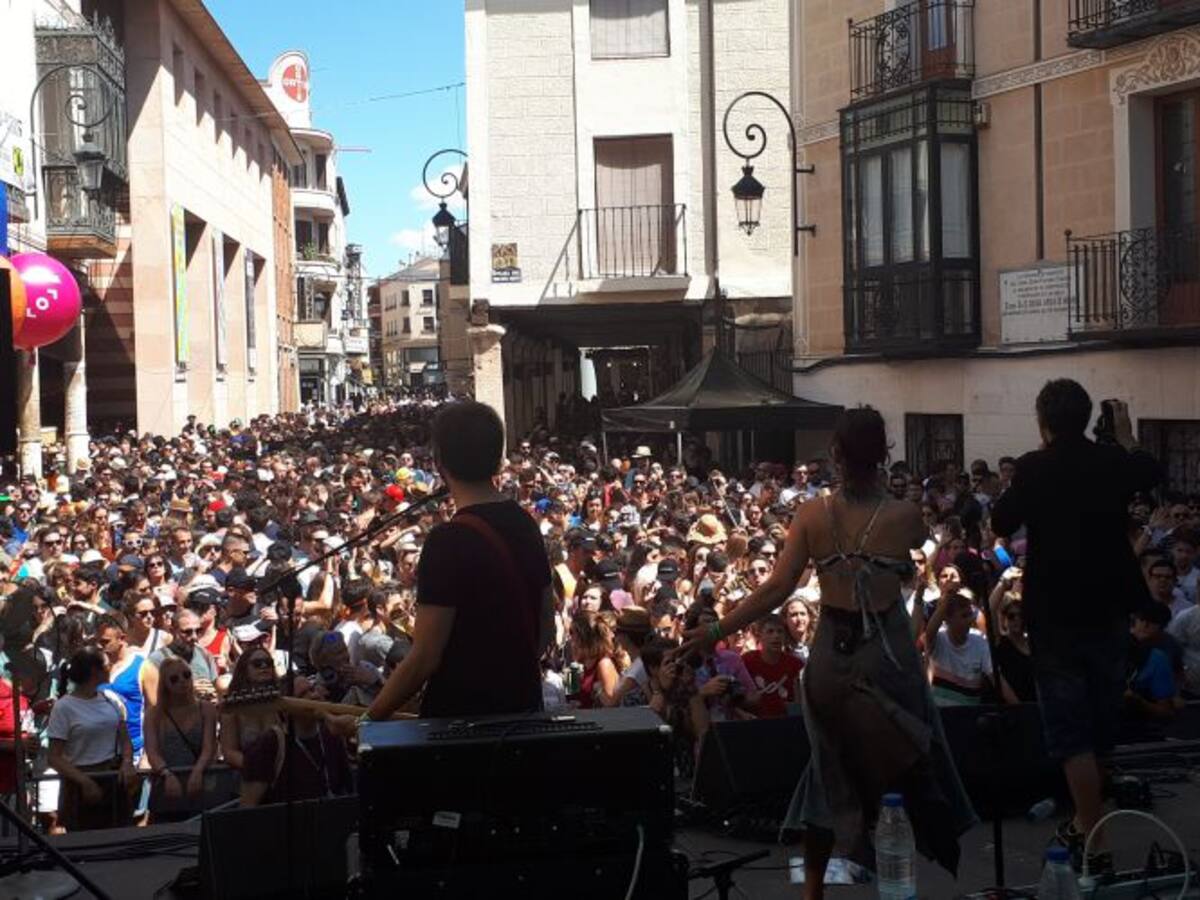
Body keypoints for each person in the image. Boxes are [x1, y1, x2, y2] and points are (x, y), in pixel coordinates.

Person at [679, 408, 973, 899]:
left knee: (827, 768)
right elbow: (921, 549)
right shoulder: (905, 517)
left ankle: (813, 890)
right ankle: (893, 872)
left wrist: (716, 631)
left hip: (832, 658)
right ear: (883, 454)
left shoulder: (813, 515)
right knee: (907, 757)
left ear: (835, 454)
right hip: (888, 656)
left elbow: (776, 588)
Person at [992, 384, 1160, 871]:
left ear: (1043, 420)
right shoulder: (1110, 462)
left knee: (1071, 735)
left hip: (1057, 614)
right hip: (1109, 610)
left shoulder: (1034, 466)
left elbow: (1003, 519)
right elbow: (1149, 471)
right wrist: (1126, 436)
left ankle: (1095, 842)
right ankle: (1089, 826)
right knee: (1100, 723)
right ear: (1088, 419)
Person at [333, 402, 554, 730]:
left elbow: (425, 657)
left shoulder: (447, 540)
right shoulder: (526, 524)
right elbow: (544, 631)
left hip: (459, 725)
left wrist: (367, 720)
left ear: (439, 464)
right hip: (522, 710)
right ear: (498, 458)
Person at [46, 647, 137, 831]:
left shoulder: (110, 699)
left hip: (112, 779)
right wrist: (85, 782)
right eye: (106, 665)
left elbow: (124, 737)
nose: (111, 667)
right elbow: (54, 757)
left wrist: (127, 763)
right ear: (95, 671)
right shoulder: (64, 708)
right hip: (81, 783)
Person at [143, 657, 217, 822]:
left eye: (186, 675)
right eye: (174, 679)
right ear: (165, 684)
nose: (182, 681)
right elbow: (152, 752)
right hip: (166, 787)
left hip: (200, 785)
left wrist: (197, 771)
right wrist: (166, 774)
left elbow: (209, 747)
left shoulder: (206, 708)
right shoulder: (154, 714)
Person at [924, 592, 993, 707]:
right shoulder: (939, 639)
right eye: (964, 616)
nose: (970, 620)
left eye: (971, 615)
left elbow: (994, 675)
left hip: (970, 715)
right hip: (942, 716)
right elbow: (930, 630)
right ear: (948, 619)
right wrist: (947, 601)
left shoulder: (980, 641)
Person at [741, 613, 802, 718]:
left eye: (780, 631)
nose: (776, 636)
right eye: (770, 631)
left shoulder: (796, 665)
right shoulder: (747, 661)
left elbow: (800, 702)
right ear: (759, 636)